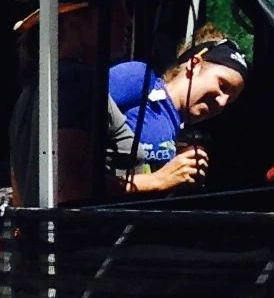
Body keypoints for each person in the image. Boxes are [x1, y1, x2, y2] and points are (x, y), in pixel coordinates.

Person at [105, 36, 249, 194]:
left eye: (230, 101)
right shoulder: (139, 79)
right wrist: (159, 179)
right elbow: (78, 174)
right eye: (222, 85)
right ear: (194, 65)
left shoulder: (179, 131)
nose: (222, 103)